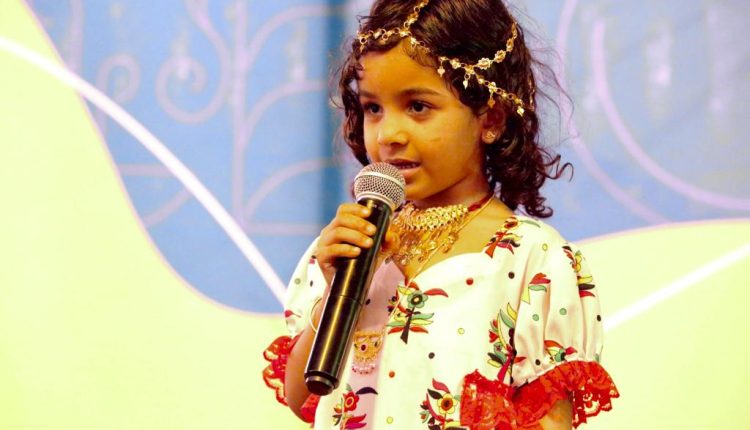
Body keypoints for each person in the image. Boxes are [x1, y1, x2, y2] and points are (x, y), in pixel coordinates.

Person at [263, 0, 619, 428]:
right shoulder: (348, 246)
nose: (388, 134)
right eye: (373, 108)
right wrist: (334, 295)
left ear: (491, 118)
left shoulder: (533, 258)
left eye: (417, 107)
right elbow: (303, 395)